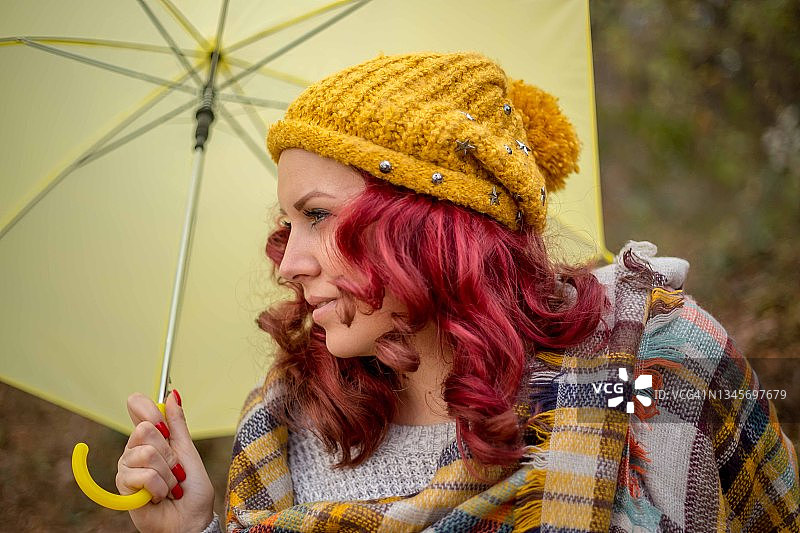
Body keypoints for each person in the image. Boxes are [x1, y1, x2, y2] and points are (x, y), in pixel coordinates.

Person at [115, 51, 800, 532]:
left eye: (317, 215)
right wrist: (194, 528)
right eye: (286, 224)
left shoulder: (647, 368)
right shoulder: (286, 426)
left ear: (430, 225)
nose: (288, 262)